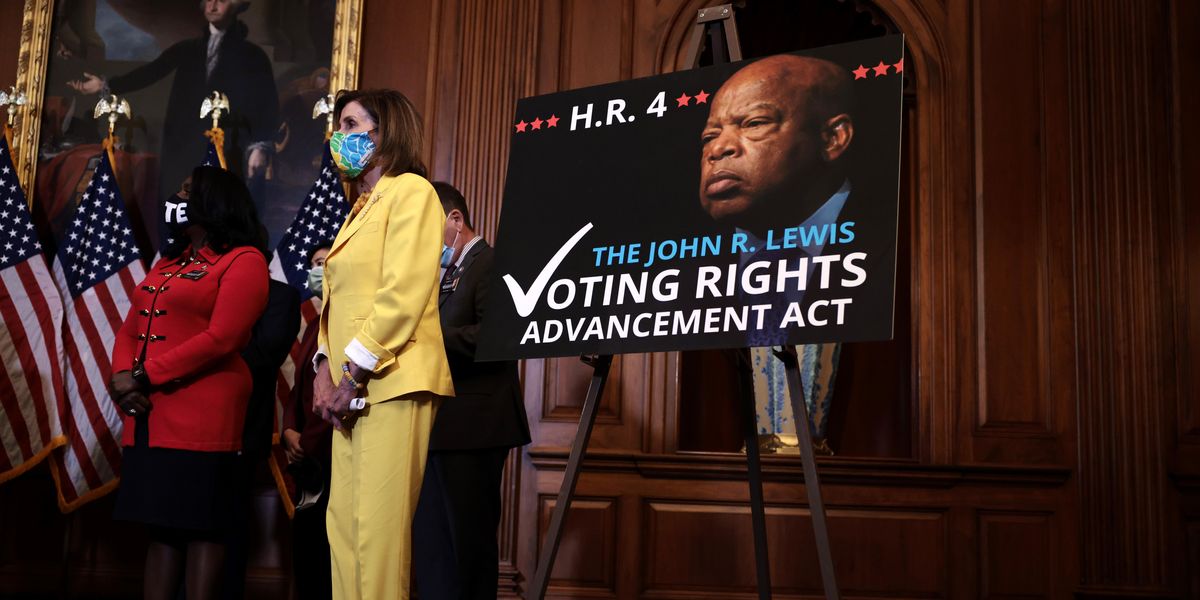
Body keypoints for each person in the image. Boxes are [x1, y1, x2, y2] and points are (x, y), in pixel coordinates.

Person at [313, 89, 454, 600]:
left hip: (390, 383)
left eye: (351, 124)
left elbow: (401, 296)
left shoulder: (412, 192)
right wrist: (323, 369)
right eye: (339, 126)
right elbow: (336, 303)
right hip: (350, 388)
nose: (340, 137)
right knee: (344, 530)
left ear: (384, 130)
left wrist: (350, 374)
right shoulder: (358, 210)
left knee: (377, 535)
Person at [108, 165, 269, 600]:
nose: (176, 199)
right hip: (150, 415)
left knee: (202, 529)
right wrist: (122, 378)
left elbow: (224, 337)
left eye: (186, 191)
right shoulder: (170, 262)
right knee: (161, 530)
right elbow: (130, 328)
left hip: (203, 419)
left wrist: (143, 375)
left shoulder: (244, 260)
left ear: (214, 201)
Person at [698, 53, 894, 344]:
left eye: (754, 123)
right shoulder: (676, 280)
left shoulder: (902, 246)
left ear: (832, 139)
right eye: (709, 136)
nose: (718, 149)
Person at [412, 182, 531, 600]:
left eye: (426, 230)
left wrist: (426, 337)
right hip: (442, 426)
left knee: (468, 545)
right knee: (435, 548)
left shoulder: (490, 263)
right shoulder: (450, 271)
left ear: (455, 220)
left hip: (476, 426)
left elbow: (499, 335)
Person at [69, 0, 279, 210]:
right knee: (179, 213)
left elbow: (267, 104)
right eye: (209, 0)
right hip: (184, 149)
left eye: (221, 1)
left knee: (222, 212)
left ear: (236, 5)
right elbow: (150, 73)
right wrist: (105, 85)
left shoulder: (253, 56)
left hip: (230, 150)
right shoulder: (188, 49)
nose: (212, 6)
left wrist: (260, 147)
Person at [224, 227, 301, 599]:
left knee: (231, 525)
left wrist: (216, 349)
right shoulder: (215, 291)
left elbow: (265, 355)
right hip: (193, 426)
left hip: (244, 428)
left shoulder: (282, 297)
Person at [281, 241, 333, 600]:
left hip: (329, 456)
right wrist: (288, 431)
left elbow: (336, 392)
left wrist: (308, 444)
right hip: (305, 457)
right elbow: (300, 386)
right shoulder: (315, 324)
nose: (319, 270)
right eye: (315, 263)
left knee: (324, 558)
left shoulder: (346, 318)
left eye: (327, 263)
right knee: (305, 554)